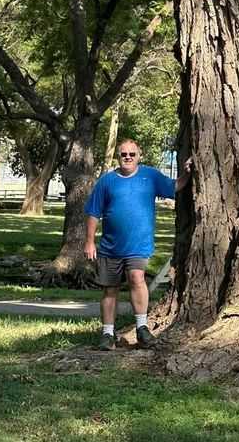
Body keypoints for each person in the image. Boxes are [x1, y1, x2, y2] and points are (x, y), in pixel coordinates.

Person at [84, 138, 190, 350]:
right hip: (110, 247)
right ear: (118, 157)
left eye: (132, 154)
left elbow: (174, 186)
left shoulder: (150, 176)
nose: (128, 157)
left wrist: (188, 173)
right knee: (109, 289)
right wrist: (89, 242)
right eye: (124, 154)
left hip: (139, 245)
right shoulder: (106, 181)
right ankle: (107, 333)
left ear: (139, 156)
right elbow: (93, 213)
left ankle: (142, 328)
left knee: (137, 278)